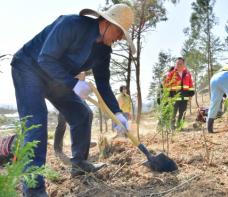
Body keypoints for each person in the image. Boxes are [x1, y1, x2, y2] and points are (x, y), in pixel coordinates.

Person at [10, 4, 135, 197]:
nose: (119, 38)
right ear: (107, 22)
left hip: (56, 78)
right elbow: (45, 58)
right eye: (119, 32)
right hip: (29, 67)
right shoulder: (71, 24)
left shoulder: (103, 52)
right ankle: (33, 189)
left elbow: (103, 83)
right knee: (35, 124)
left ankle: (79, 164)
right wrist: (73, 84)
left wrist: (117, 113)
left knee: (82, 114)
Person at [163, 57, 195, 130]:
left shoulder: (187, 74)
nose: (179, 65)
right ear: (175, 64)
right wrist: (169, 95)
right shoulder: (171, 74)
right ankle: (172, 126)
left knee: (182, 113)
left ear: (184, 65)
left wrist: (191, 94)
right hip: (174, 97)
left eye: (180, 64)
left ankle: (179, 127)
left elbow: (191, 85)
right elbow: (166, 85)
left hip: (185, 97)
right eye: (177, 63)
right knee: (173, 113)